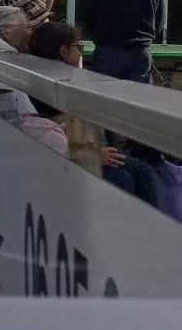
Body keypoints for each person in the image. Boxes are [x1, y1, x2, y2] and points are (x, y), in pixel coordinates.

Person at [25, 21, 158, 202]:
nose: (80, 53)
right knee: (143, 171)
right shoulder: (65, 83)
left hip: (75, 150)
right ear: (63, 51)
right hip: (78, 153)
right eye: (77, 47)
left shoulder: (34, 77)